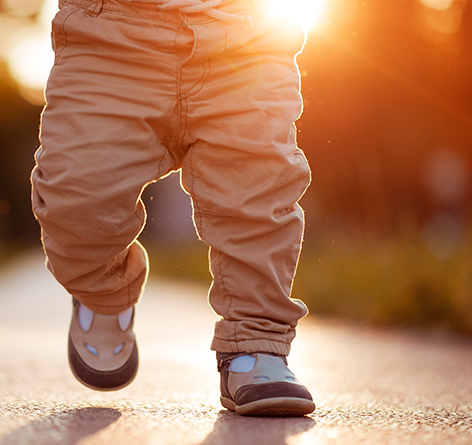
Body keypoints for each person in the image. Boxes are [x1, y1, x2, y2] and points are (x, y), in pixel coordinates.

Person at [30, 0, 315, 416]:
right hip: (109, 33)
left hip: (245, 35)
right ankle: (103, 288)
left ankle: (255, 343)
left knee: (257, 195)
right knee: (75, 197)